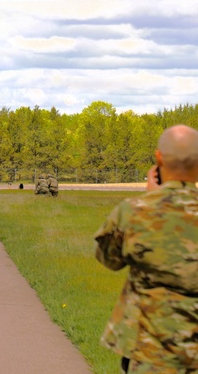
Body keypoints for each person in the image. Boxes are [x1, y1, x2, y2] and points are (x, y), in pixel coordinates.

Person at [94, 124, 198, 373]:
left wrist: (151, 200)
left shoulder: (133, 211)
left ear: (159, 158)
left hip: (149, 352)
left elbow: (108, 259)